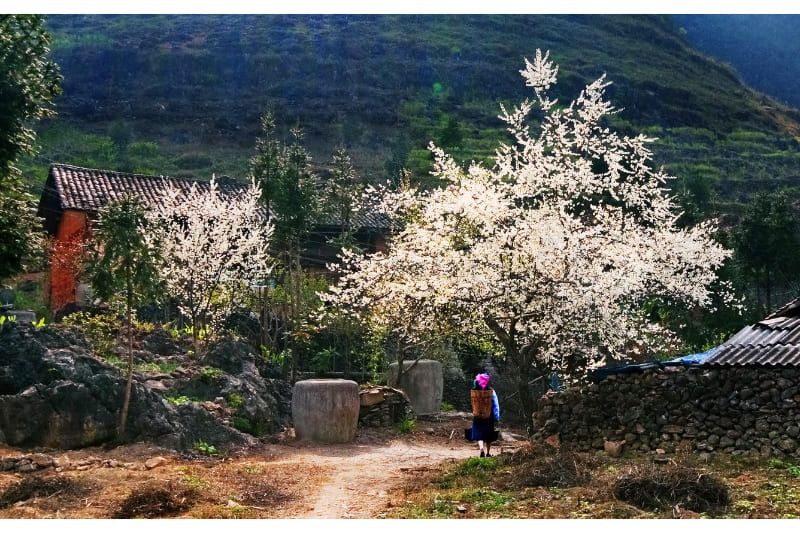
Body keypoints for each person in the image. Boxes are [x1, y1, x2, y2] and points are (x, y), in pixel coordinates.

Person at [470, 372, 500, 457]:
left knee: (479, 434)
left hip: (478, 415)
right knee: (489, 435)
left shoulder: (474, 391)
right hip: (488, 416)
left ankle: (481, 449)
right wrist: (497, 416)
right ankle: (488, 453)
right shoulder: (491, 391)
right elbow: (495, 404)